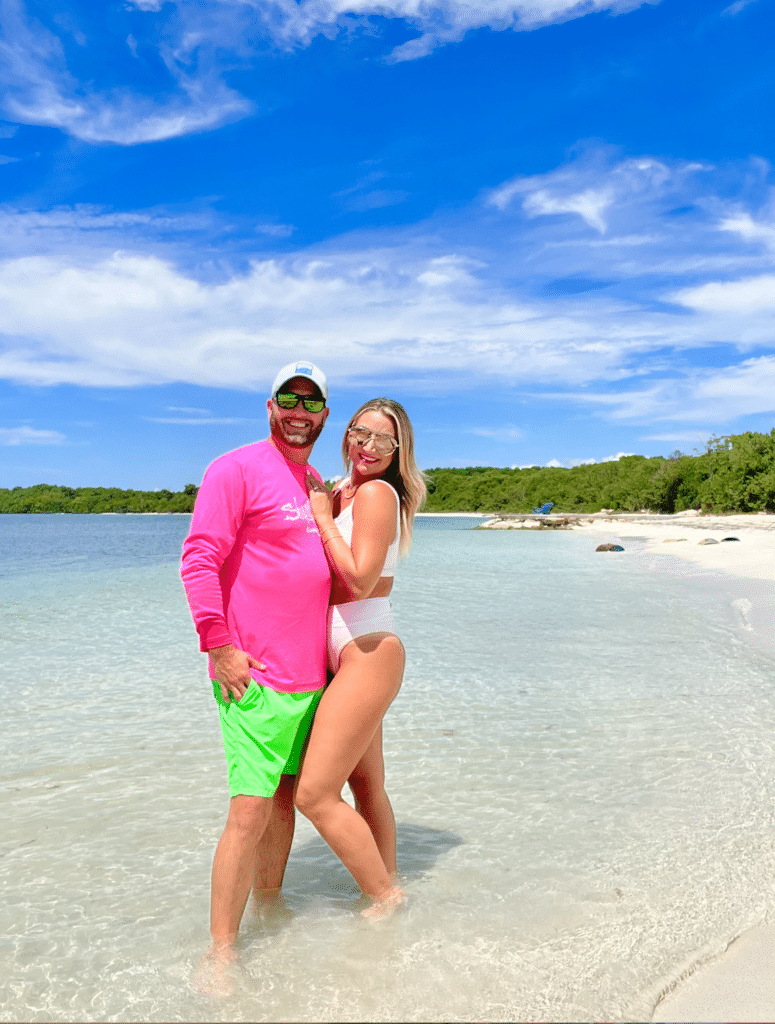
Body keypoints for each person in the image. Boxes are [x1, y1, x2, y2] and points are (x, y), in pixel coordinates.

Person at [180, 360, 331, 990]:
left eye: (311, 403)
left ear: (324, 414)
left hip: (312, 678)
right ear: (269, 406)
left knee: (286, 801)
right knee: (248, 811)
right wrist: (219, 645)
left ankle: (270, 906)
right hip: (255, 676)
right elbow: (199, 558)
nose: (299, 413)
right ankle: (221, 951)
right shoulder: (235, 469)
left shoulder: (317, 481)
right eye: (287, 400)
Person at [298, 398, 426, 917]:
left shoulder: (375, 494)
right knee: (366, 783)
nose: (368, 447)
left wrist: (323, 518)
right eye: (360, 433)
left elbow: (359, 581)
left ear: (398, 452)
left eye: (382, 441)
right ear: (347, 433)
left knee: (314, 795)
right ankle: (387, 881)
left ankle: (385, 895)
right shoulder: (344, 491)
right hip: (347, 651)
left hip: (367, 650)